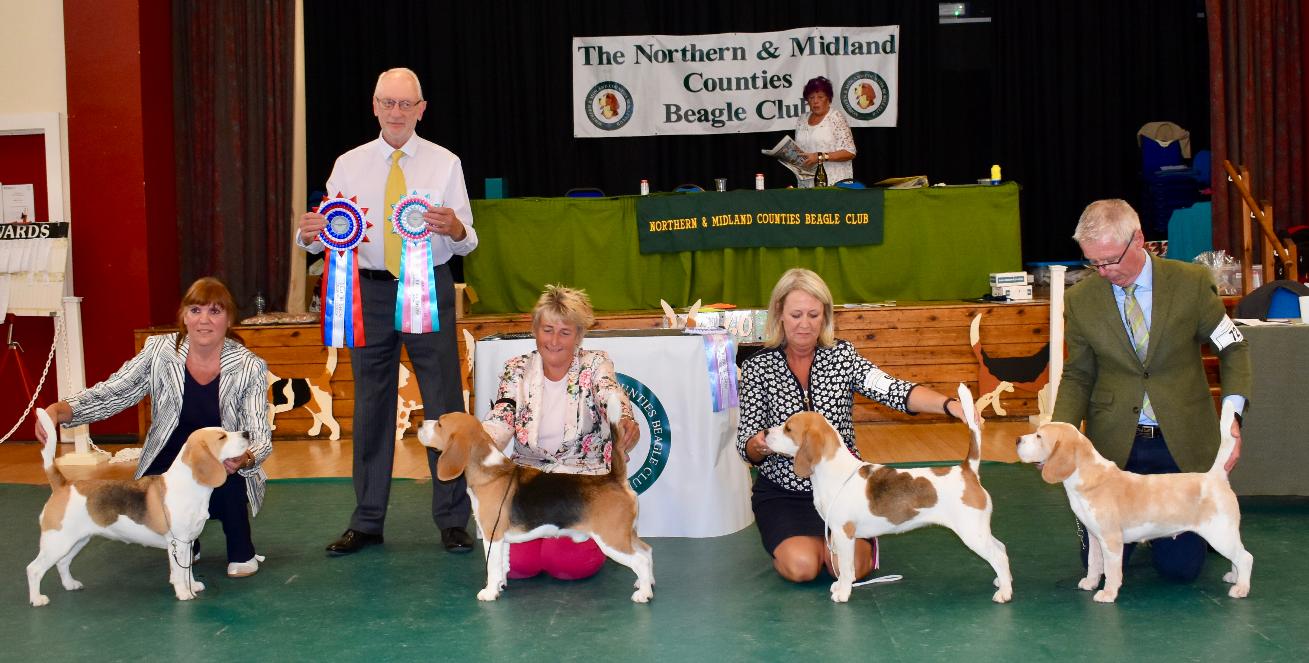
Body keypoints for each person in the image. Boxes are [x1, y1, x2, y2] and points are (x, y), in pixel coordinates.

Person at [297, 67, 478, 555]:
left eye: (407, 104)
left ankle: (453, 520)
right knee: (371, 407)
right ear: (374, 106)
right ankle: (368, 520)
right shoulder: (348, 164)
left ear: (422, 109)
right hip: (368, 296)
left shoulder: (446, 163)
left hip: (430, 288)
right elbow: (320, 231)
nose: (397, 112)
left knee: (445, 405)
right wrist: (307, 232)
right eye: (388, 103)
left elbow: (469, 237)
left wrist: (455, 229)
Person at [1053, 198, 1252, 581]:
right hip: (1113, 449)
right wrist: (1058, 434)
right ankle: (1140, 533)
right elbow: (1077, 374)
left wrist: (1232, 415)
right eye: (1094, 263)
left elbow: (1233, 346)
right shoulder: (1080, 301)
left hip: (1179, 442)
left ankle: (1189, 532)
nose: (1105, 271)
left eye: (1111, 260)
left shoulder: (1191, 283)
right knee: (1098, 562)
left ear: (1140, 239)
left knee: (1180, 571)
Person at [737, 268, 970, 582]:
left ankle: (843, 540)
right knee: (803, 567)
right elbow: (746, 446)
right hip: (784, 493)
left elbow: (893, 389)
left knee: (843, 568)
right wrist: (760, 444)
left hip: (848, 491)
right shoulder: (757, 368)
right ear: (779, 313)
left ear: (825, 317)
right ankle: (816, 543)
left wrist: (949, 405)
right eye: (795, 314)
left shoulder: (843, 357)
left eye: (813, 314)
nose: (804, 324)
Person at [36, 277, 273, 577]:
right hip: (168, 455)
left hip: (222, 459)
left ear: (229, 319)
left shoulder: (249, 365)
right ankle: (187, 542)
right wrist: (62, 410)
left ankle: (242, 551)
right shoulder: (159, 353)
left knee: (228, 483)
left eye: (215, 311)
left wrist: (246, 457)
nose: (204, 320)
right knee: (161, 489)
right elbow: (115, 391)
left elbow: (259, 431)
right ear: (184, 316)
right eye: (196, 310)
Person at [482, 285, 640, 580]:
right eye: (547, 330)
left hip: (584, 490)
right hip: (530, 490)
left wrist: (624, 419)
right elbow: (502, 418)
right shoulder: (515, 369)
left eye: (565, 332)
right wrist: (474, 443)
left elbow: (610, 393)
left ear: (579, 336)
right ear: (535, 330)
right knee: (517, 565)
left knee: (567, 564)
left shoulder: (595, 364)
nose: (554, 341)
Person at [793, 76, 856, 187]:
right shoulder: (801, 120)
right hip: (806, 183)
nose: (815, 101)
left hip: (834, 183)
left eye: (820, 97)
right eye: (811, 98)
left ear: (829, 99)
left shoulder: (836, 117)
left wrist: (819, 157)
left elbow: (849, 152)